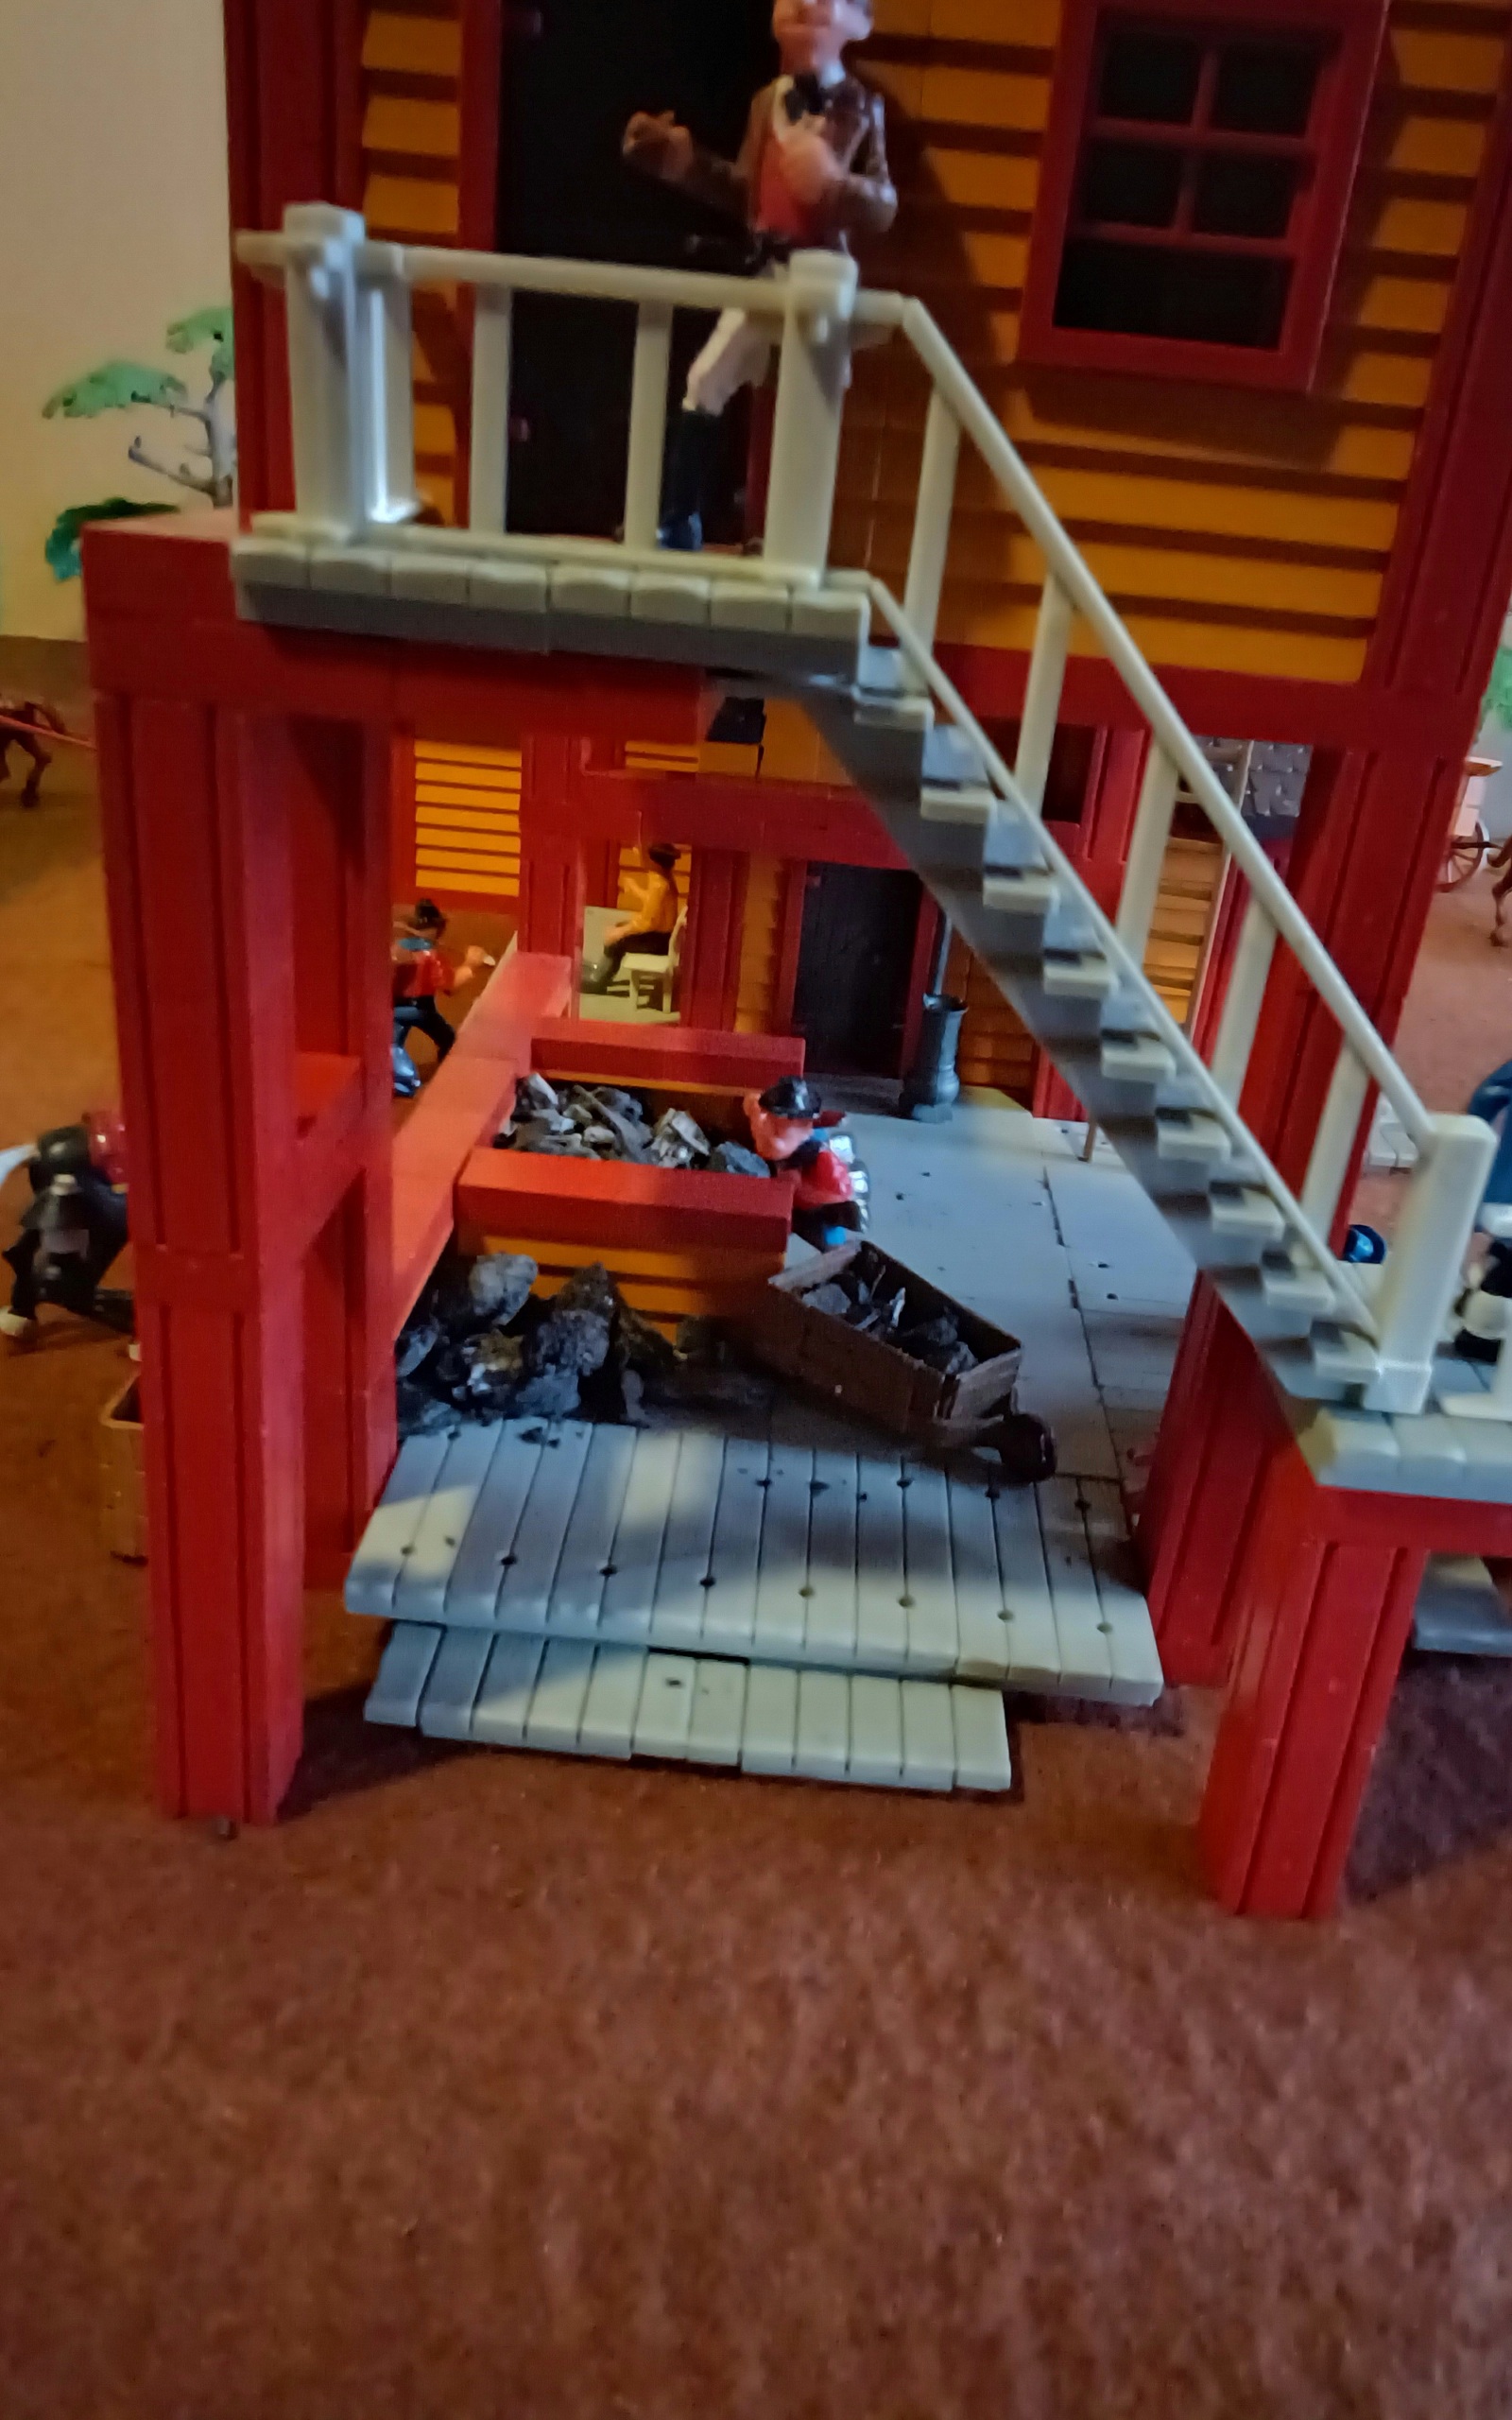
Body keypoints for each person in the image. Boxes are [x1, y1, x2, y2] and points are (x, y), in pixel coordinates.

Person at [623, 0, 896, 548]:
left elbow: (884, 203)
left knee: (806, 406)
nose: (806, 3)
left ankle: (787, 537)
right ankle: (680, 520)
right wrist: (685, 163)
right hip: (765, 269)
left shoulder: (862, 107)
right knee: (706, 380)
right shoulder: (765, 103)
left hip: (818, 281)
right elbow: (743, 189)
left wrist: (835, 185)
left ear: (860, 23)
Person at [392, 900, 489, 1093]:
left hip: (395, 1007)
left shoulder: (395, 949)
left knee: (394, 1043)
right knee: (447, 1039)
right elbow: (450, 986)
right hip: (421, 1008)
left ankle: (399, 1077)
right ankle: (410, 1078)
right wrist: (470, 964)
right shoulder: (431, 956)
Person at [582, 844, 680, 994]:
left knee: (617, 942)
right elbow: (652, 902)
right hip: (662, 936)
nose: (636, 852)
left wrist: (619, 932)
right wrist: (634, 888)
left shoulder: (659, 884)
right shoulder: (663, 877)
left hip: (658, 942)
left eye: (643, 854)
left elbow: (647, 922)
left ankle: (598, 981)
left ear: (653, 862)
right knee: (620, 927)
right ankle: (603, 968)